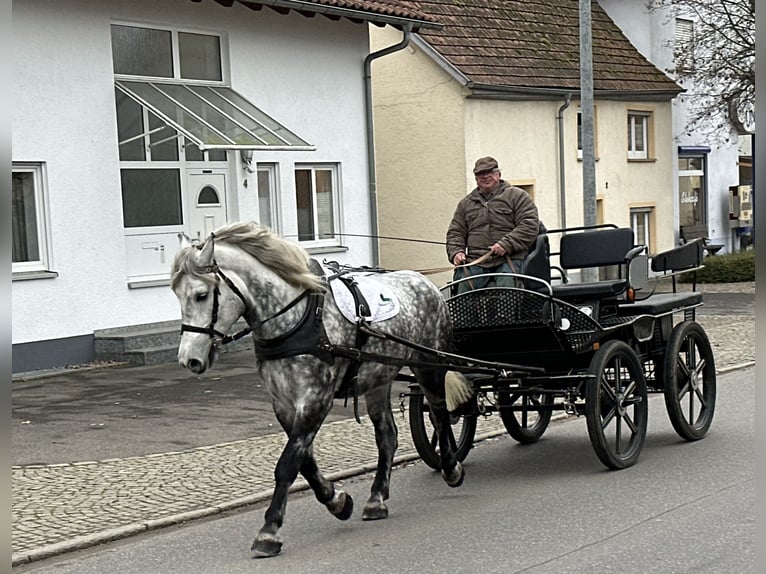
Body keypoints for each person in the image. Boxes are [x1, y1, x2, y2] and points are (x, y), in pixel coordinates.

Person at [446, 156, 540, 293]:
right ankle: (465, 316)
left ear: (498, 174)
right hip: (477, 261)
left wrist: (506, 244)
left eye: (489, 172)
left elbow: (529, 224)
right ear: (476, 178)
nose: (485, 177)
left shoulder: (517, 196)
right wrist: (456, 252)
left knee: (507, 287)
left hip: (509, 259)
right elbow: (455, 232)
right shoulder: (465, 204)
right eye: (480, 174)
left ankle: (505, 315)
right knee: (464, 288)